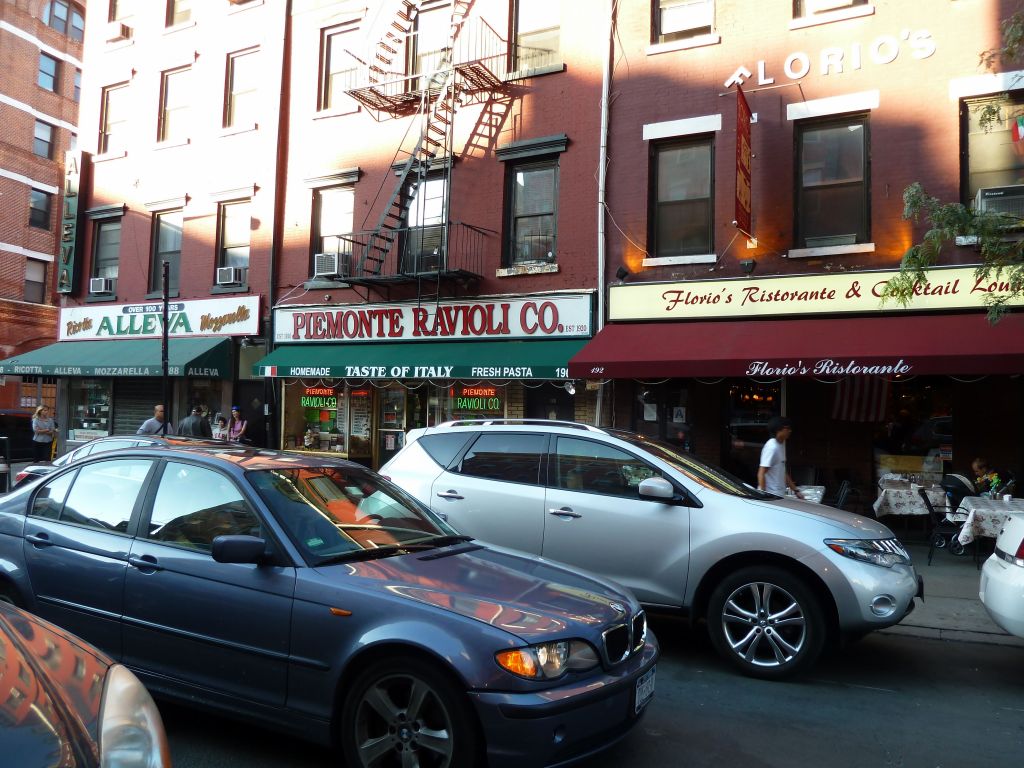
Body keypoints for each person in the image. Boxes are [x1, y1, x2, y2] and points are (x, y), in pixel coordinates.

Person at [757, 416, 802, 498]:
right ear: (778, 430)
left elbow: (782, 471)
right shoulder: (771, 447)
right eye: (787, 428)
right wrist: (763, 496)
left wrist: (796, 491)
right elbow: (761, 473)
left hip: (779, 494)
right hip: (771, 495)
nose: (790, 431)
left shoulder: (781, 445)